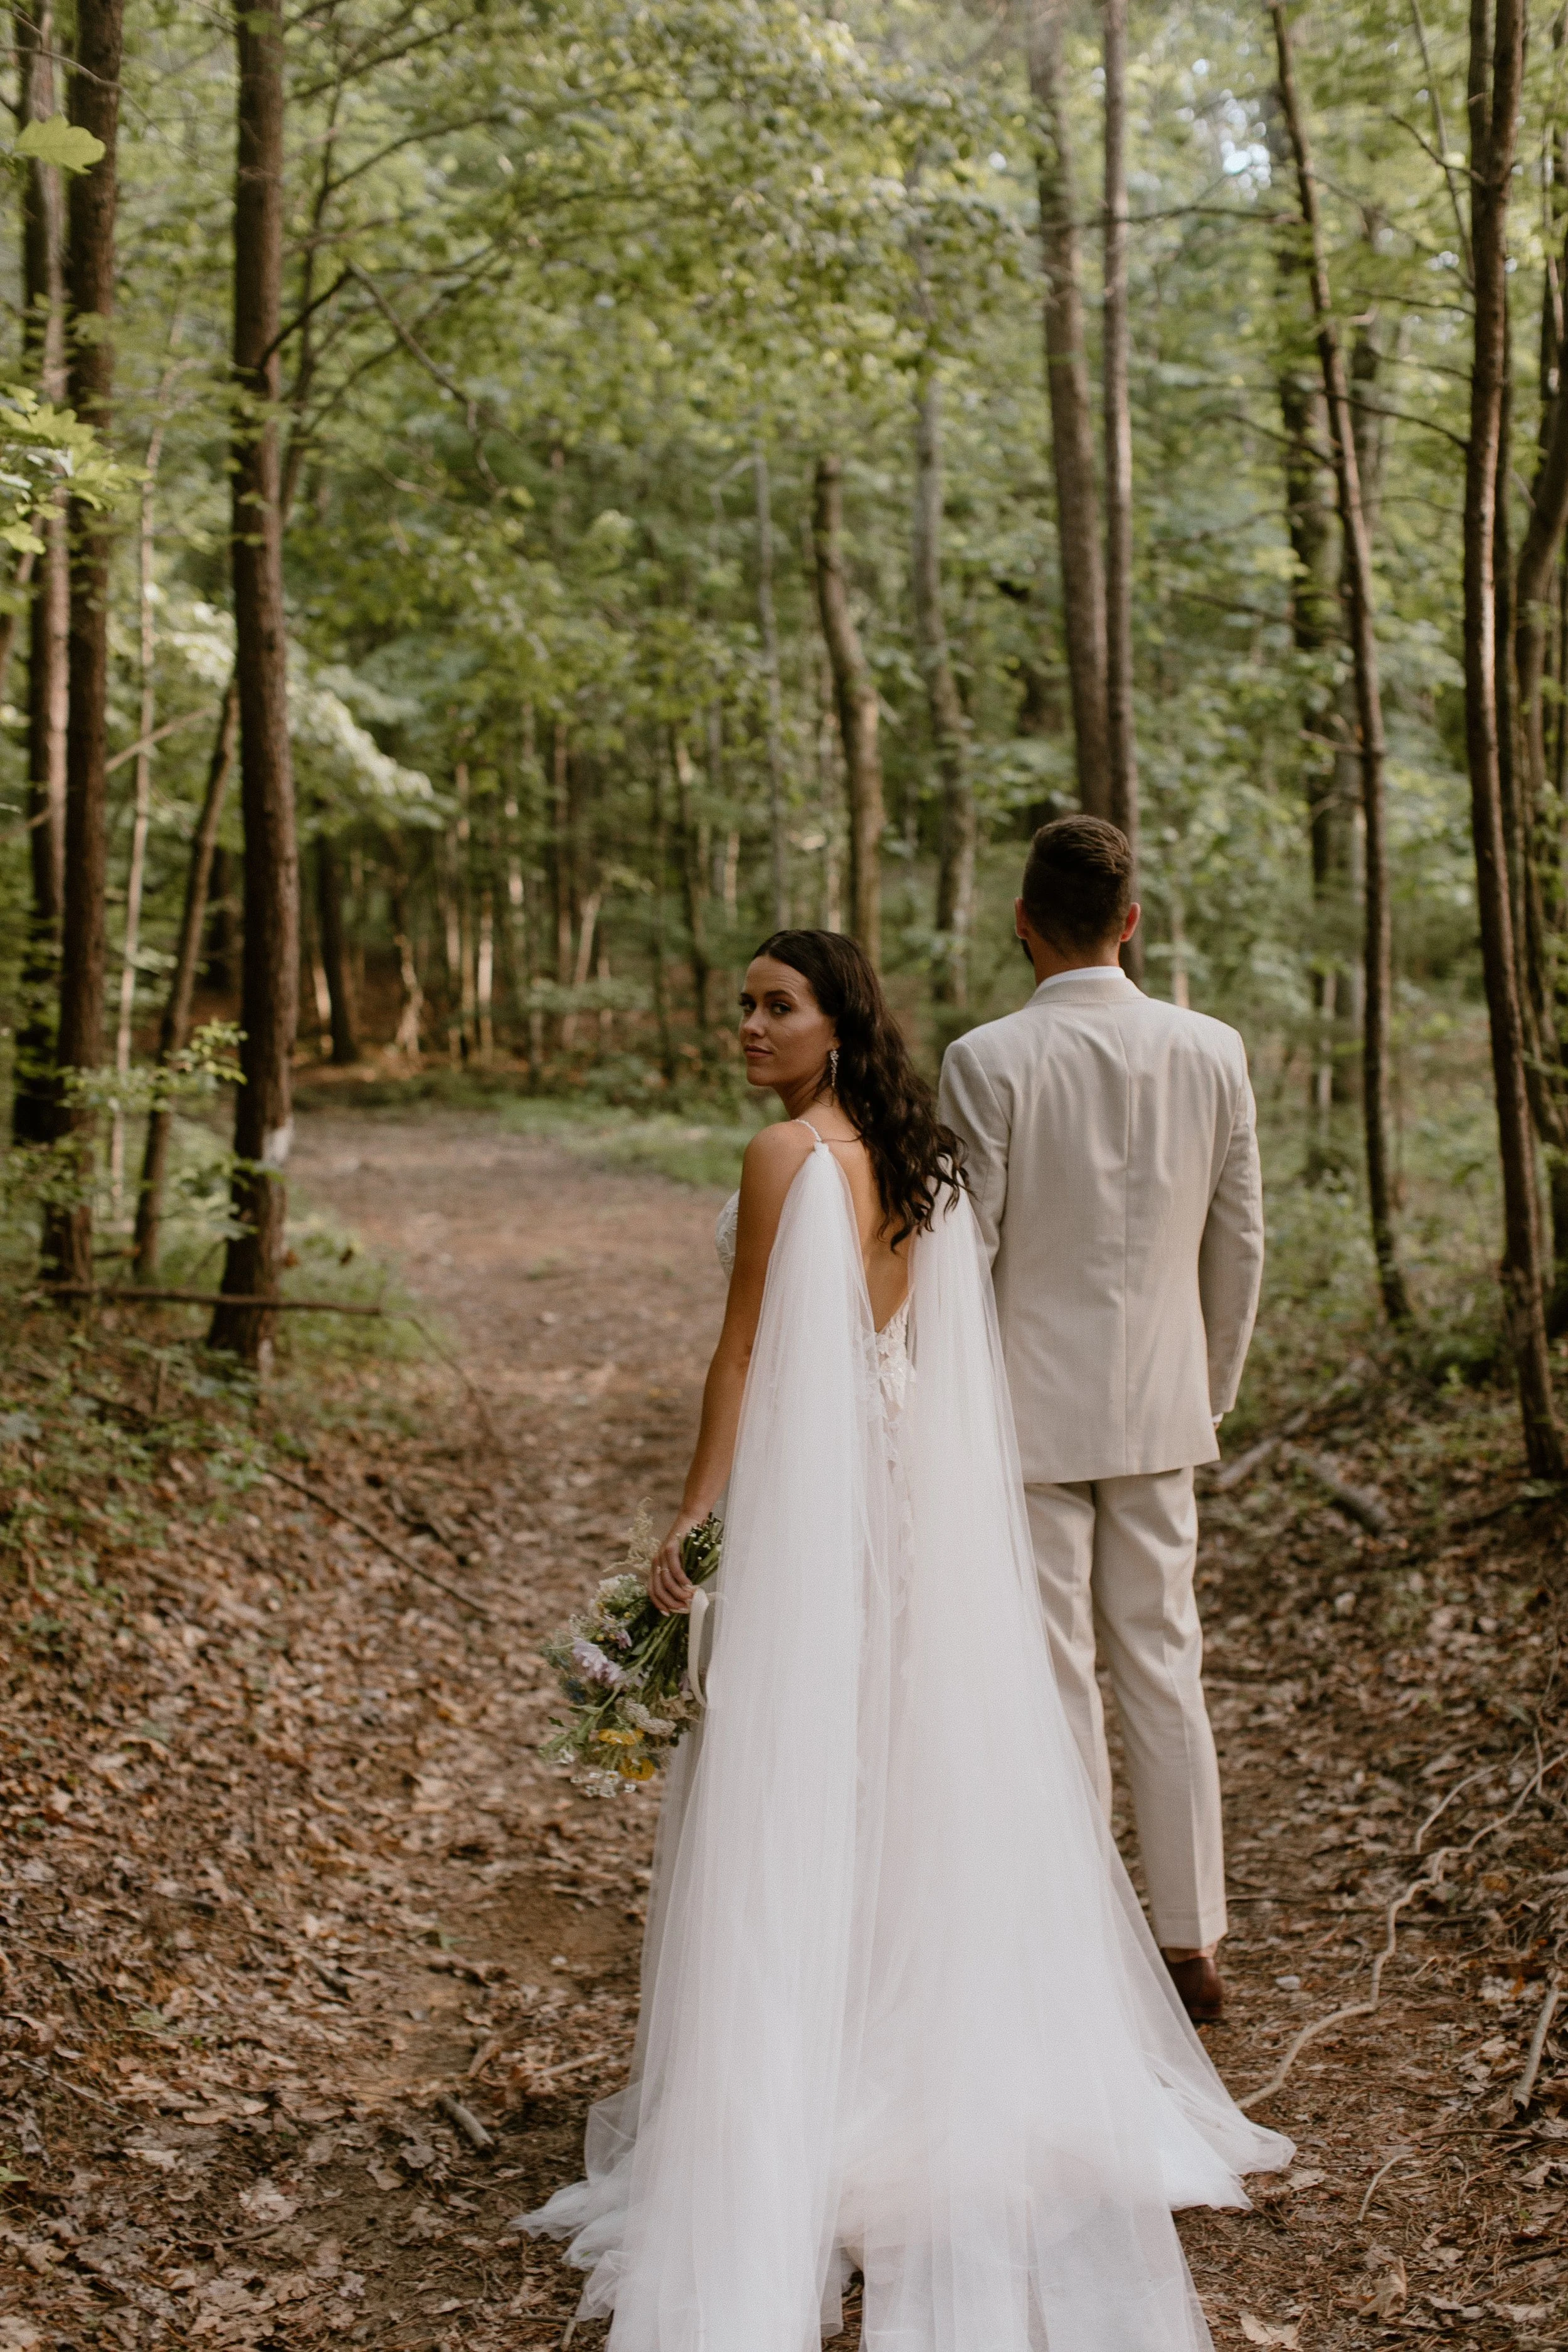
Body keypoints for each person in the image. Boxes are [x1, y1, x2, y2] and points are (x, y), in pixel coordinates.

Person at [522, 928, 1289, 2351]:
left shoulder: (783, 1155)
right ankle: (905, 2063)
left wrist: (692, 1514)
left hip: (815, 1501)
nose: (750, 1027)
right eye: (743, 1004)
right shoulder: (919, 1160)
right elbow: (927, 1356)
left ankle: (803, 2082)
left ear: (837, 1020)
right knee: (896, 1769)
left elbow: (742, 1351)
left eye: (778, 1005)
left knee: (801, 1775)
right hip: (898, 1498)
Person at [938, 817, 1264, 2028]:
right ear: (1131, 921)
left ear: (1023, 920)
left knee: (1056, 1670)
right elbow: (1240, 1237)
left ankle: (1080, 1940)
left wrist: (949, 1401)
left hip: (1026, 1405)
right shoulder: (1213, 1048)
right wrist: (1207, 1386)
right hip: (1162, 1401)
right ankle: (1190, 1942)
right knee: (1165, 1662)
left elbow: (967, 1245)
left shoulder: (987, 1059)